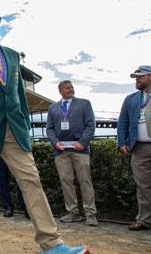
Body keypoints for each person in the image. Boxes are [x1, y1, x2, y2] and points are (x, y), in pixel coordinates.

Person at [0, 7, 90, 254]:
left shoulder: (13, 56)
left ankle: (51, 244)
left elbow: (20, 96)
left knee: (31, 181)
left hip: (14, 131)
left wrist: (25, 128)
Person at [46, 80, 98, 227]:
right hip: (61, 152)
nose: (71, 90)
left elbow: (90, 125)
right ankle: (73, 213)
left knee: (85, 181)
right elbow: (49, 128)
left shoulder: (84, 104)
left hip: (80, 150)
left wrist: (83, 142)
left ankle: (90, 214)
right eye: (67, 88)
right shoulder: (53, 108)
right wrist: (55, 142)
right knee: (66, 182)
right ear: (60, 90)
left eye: (72, 87)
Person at [117, 65, 151, 231]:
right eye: (135, 77)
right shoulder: (130, 99)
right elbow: (122, 122)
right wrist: (123, 142)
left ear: (150, 77)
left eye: (140, 76)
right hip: (139, 148)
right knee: (143, 186)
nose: (136, 79)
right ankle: (144, 220)